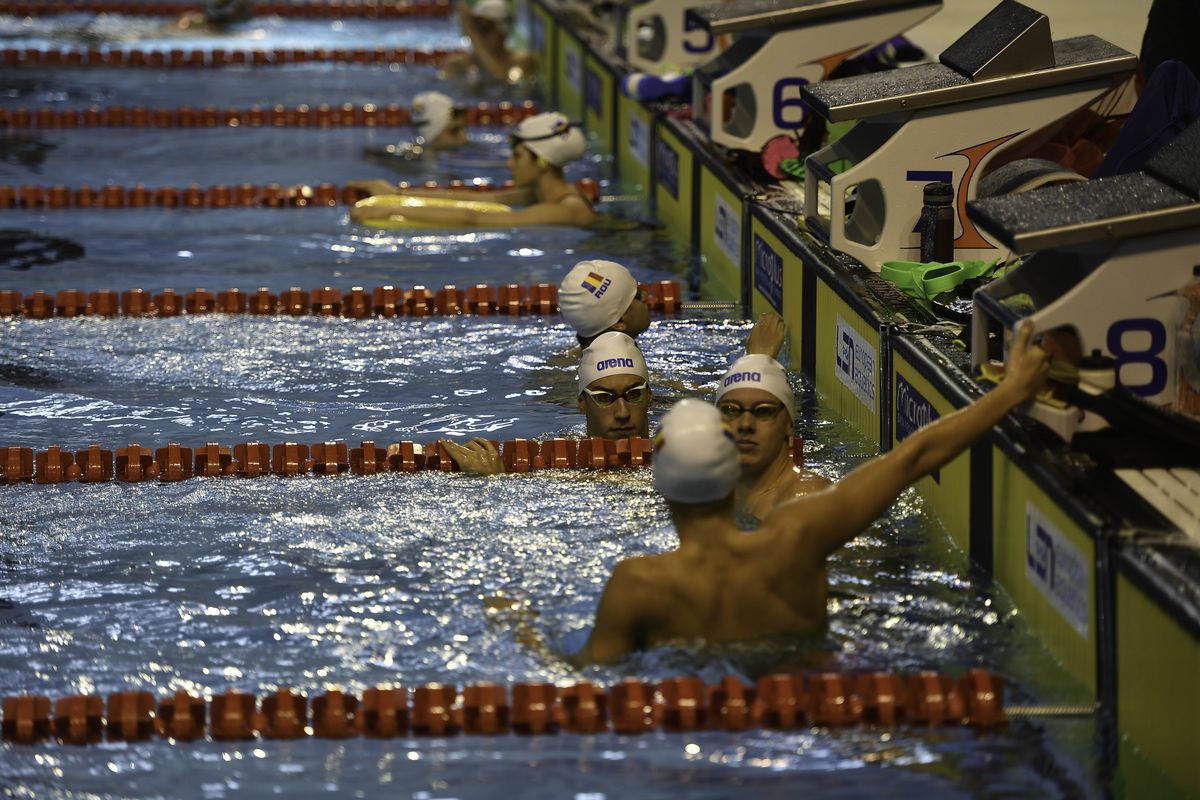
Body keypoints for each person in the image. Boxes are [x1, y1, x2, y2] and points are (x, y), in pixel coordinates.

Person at [574, 322, 1051, 663]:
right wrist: (1010, 391)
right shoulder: (796, 538)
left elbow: (585, 683)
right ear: (729, 476)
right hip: (810, 712)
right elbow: (914, 457)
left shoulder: (636, 585)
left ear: (662, 487)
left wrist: (523, 629)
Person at [442, 331, 650, 473]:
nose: (622, 412)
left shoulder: (676, 450)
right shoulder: (553, 455)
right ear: (582, 403)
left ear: (650, 396)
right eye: (604, 398)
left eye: (634, 395)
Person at [349, 111, 595, 227]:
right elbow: (475, 199)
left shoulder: (567, 209)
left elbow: (474, 217)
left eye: (517, 157)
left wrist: (390, 210)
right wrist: (396, 194)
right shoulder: (537, 194)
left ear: (542, 163)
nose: (510, 163)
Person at [716, 353, 832, 520]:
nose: (745, 425)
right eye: (731, 410)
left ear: (789, 425)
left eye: (764, 411)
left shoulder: (806, 497)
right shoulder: (711, 490)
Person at [558, 260, 652, 349]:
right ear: (619, 322)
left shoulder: (572, 359)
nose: (645, 295)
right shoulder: (627, 364)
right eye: (638, 295)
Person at [441, 0, 536, 85]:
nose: (480, 36)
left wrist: (472, 32)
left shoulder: (523, 62)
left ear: (502, 32)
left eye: (484, 29)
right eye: (477, 28)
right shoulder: (462, 65)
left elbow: (504, 78)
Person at [364, 91, 469, 166]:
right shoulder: (415, 158)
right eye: (454, 131)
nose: (464, 138)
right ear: (431, 135)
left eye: (464, 128)